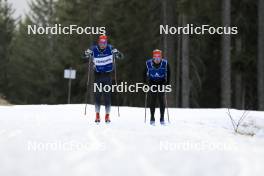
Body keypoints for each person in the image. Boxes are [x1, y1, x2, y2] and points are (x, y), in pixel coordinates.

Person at [83, 35, 123, 123]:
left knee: (107, 96)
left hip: (107, 76)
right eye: (101, 42)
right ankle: (97, 115)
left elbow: (121, 56)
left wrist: (117, 53)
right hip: (97, 75)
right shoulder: (93, 49)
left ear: (106, 43)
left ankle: (107, 116)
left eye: (104, 43)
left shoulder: (110, 48)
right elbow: (83, 56)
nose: (102, 44)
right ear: (98, 42)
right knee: (97, 95)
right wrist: (86, 53)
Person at [144, 49, 170, 125]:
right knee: (153, 100)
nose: (157, 59)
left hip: (162, 82)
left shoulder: (165, 63)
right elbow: (144, 73)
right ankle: (152, 118)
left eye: (159, 57)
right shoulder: (148, 63)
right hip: (152, 82)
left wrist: (167, 83)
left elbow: (169, 73)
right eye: (155, 57)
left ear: (161, 57)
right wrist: (145, 82)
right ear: (153, 57)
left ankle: (162, 118)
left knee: (161, 100)